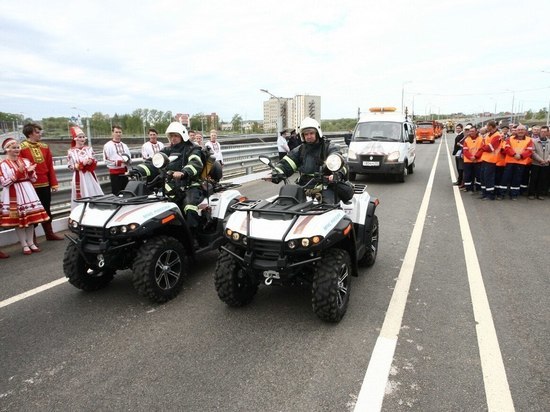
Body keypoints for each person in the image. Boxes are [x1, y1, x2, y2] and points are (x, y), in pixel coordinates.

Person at [269, 117, 354, 203]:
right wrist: (275, 173)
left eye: (311, 133)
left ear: (317, 133)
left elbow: (339, 162)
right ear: (302, 136)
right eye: (306, 134)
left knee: (328, 206)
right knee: (286, 202)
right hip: (303, 187)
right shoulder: (300, 150)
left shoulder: (329, 148)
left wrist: (337, 174)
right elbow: (288, 163)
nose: (309, 136)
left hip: (325, 187)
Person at [0, 138, 49, 255]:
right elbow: (4, 183)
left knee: (31, 220)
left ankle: (31, 242)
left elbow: (34, 179)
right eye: (13, 148)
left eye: (17, 147)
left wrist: (31, 172)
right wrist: (18, 173)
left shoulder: (26, 161)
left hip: (28, 191)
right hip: (13, 193)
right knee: (19, 221)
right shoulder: (3, 164)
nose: (17, 150)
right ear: (7, 150)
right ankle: (24, 244)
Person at [19, 122, 63, 241]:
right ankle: (31, 239)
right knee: (31, 211)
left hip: (45, 184)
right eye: (37, 132)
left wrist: (53, 183)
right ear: (29, 134)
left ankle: (49, 233)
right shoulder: (21, 148)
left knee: (46, 208)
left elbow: (50, 166)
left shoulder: (44, 147)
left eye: (39, 132)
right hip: (30, 186)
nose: (40, 135)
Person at [162, 122, 205, 233]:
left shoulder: (192, 149)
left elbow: (195, 163)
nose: (173, 138)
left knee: (189, 207)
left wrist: (184, 172)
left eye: (176, 135)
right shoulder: (167, 151)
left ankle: (194, 236)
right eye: (171, 136)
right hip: (172, 186)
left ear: (182, 135)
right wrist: (136, 170)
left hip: (190, 185)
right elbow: (153, 162)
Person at [67, 126, 104, 209]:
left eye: (83, 137)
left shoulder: (89, 149)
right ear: (75, 139)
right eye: (80, 137)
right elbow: (70, 166)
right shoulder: (71, 151)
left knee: (92, 190)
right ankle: (81, 210)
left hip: (90, 175)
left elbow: (95, 160)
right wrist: (80, 164)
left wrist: (91, 161)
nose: (82, 139)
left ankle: (96, 208)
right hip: (79, 176)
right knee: (82, 192)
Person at [501, 124, 534, 200]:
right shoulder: (510, 138)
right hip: (510, 161)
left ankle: (514, 194)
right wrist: (514, 154)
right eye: (519, 130)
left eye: (522, 130)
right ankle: (501, 193)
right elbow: (507, 148)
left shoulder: (529, 140)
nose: (520, 131)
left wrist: (521, 156)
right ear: (516, 131)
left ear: (525, 131)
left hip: (521, 162)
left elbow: (529, 150)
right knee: (505, 178)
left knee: (517, 179)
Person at [103, 125, 131, 195]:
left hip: (124, 172)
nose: (118, 134)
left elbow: (129, 157)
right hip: (115, 173)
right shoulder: (108, 145)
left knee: (126, 192)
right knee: (117, 192)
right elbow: (106, 160)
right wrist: (119, 162)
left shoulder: (124, 145)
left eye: (120, 132)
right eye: (116, 132)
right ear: (112, 133)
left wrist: (128, 161)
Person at [478, 120, 502, 200]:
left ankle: (490, 194)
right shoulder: (488, 134)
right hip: (485, 158)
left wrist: (483, 147)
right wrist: (484, 147)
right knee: (483, 176)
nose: (486, 127)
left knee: (489, 177)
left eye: (487, 126)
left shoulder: (497, 135)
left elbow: (490, 148)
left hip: (491, 159)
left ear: (491, 127)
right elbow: (483, 144)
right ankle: (484, 192)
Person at [527, 125, 549, 200]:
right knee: (533, 179)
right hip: (536, 163)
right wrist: (540, 160)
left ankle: (540, 194)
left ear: (547, 132)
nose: (543, 133)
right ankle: (531, 193)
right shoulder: (534, 141)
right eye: (542, 131)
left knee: (543, 179)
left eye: (545, 131)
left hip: (546, 164)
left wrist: (548, 160)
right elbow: (533, 152)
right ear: (539, 132)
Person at [461, 125, 483, 193]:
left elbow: (481, 149)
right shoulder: (467, 140)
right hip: (468, 161)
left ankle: (478, 188)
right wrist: (471, 157)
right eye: (470, 131)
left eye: (473, 131)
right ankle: (469, 188)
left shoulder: (481, 139)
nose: (471, 132)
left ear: (476, 131)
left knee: (478, 175)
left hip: (478, 160)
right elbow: (465, 150)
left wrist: (475, 157)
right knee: (468, 175)